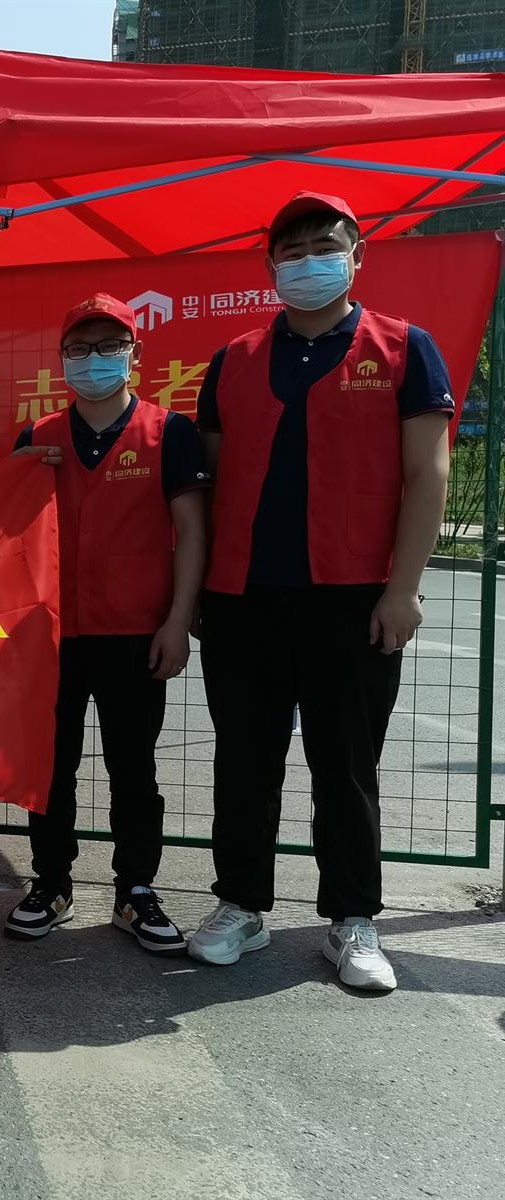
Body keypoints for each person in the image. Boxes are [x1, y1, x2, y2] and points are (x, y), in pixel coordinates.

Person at [187, 192, 454, 992]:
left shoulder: (404, 348)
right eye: (293, 250)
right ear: (270, 265)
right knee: (245, 761)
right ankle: (241, 904)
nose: (308, 262)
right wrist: (197, 590)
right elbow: (207, 484)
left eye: (325, 246)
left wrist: (403, 591)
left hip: (354, 596)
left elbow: (427, 475)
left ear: (357, 256)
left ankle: (352, 919)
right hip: (243, 595)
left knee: (345, 767)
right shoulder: (234, 359)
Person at [4, 294, 209, 952]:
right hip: (50, 635)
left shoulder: (168, 432)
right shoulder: (36, 439)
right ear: (62, 359)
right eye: (80, 349)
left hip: (135, 633)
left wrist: (177, 621)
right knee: (50, 767)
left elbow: (191, 531)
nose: (93, 360)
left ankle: (136, 890)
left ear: (134, 354)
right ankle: (51, 883)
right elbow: (4, 536)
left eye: (108, 347)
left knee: (133, 768)